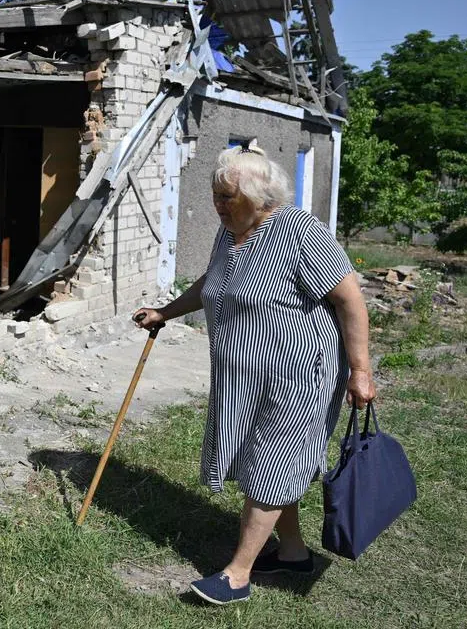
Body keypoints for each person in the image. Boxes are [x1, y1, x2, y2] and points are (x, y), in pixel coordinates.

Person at [133, 140, 375, 606]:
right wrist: (166, 312)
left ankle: (237, 574)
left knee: (271, 463)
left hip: (300, 375)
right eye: (215, 195)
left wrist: (361, 370)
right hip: (244, 380)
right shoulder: (230, 234)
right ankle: (292, 553)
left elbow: (350, 301)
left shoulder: (301, 231)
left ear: (260, 196)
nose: (218, 205)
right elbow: (213, 282)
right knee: (265, 461)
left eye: (227, 196)